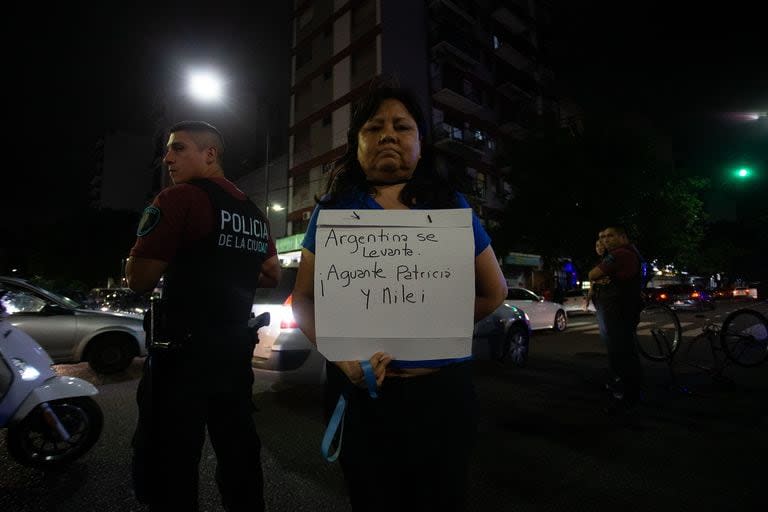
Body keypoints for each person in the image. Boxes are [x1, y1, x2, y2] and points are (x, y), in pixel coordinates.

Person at [291, 84, 507, 511]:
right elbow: (304, 301)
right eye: (374, 127)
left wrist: (435, 326)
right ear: (357, 145)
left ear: (421, 145)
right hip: (363, 399)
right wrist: (343, 358)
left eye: (402, 126)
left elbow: (494, 291)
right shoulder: (333, 210)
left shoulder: (450, 205)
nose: (388, 135)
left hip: (441, 399)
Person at [125, 120, 281, 511]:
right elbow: (271, 273)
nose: (168, 158)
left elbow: (139, 279)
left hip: (181, 359)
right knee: (239, 455)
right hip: (232, 356)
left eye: (178, 148)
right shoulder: (254, 212)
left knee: (170, 464)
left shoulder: (178, 199)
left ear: (209, 154)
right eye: (168, 150)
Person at [588, 225, 644, 414]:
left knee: (621, 352)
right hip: (617, 308)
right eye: (602, 237)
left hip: (618, 309)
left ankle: (626, 397)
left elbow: (593, 274)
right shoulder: (620, 254)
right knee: (620, 351)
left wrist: (600, 274)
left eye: (609, 236)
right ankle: (624, 391)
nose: (604, 240)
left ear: (622, 236)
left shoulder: (621, 253)